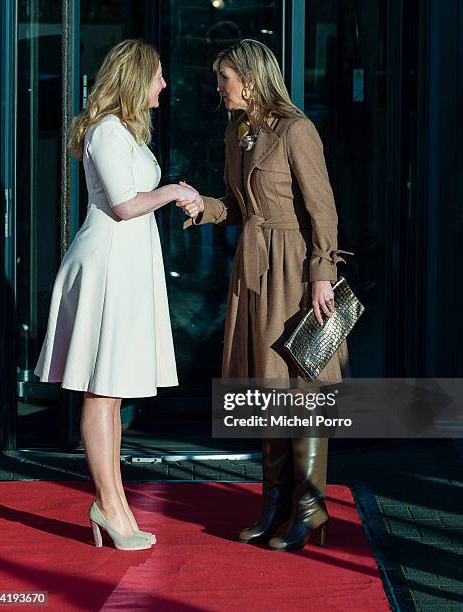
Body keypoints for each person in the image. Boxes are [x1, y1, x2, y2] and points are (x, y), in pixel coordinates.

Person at [178, 39, 350, 551]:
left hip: (295, 270)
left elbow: (323, 210)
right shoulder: (238, 132)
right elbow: (236, 204)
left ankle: (309, 508)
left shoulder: (297, 130)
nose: (218, 88)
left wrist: (322, 274)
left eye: (224, 78)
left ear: (250, 80)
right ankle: (274, 504)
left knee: (302, 387)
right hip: (253, 269)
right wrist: (201, 206)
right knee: (267, 385)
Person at [34, 39, 198, 551]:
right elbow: (126, 207)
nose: (165, 86)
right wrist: (173, 191)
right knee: (102, 391)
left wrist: (173, 192)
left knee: (112, 393)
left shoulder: (122, 131)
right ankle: (108, 504)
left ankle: (116, 504)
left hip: (124, 266)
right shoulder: (106, 131)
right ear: (135, 78)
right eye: (158, 77)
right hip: (107, 266)